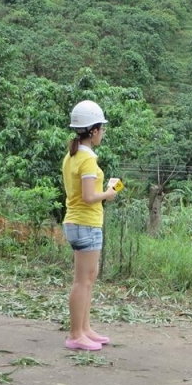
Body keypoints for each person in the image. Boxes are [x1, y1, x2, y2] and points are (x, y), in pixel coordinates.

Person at [61, 100, 120, 351]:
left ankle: (84, 328)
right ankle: (76, 334)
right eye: (102, 129)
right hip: (85, 223)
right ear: (93, 130)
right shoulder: (87, 161)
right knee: (82, 281)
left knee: (88, 277)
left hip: (78, 222)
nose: (103, 133)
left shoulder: (73, 155)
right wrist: (108, 192)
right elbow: (88, 196)